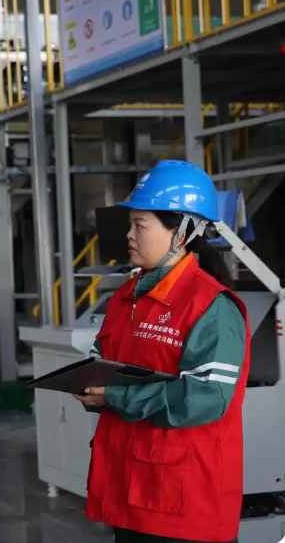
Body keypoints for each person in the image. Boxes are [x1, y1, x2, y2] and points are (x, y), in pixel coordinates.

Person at [76, 160, 249, 543]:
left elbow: (206, 397)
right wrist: (89, 385)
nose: (129, 235)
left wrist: (115, 396)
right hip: (129, 489)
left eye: (140, 226)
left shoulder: (211, 306)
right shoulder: (127, 296)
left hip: (182, 503)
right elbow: (104, 360)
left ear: (181, 232)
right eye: (130, 224)